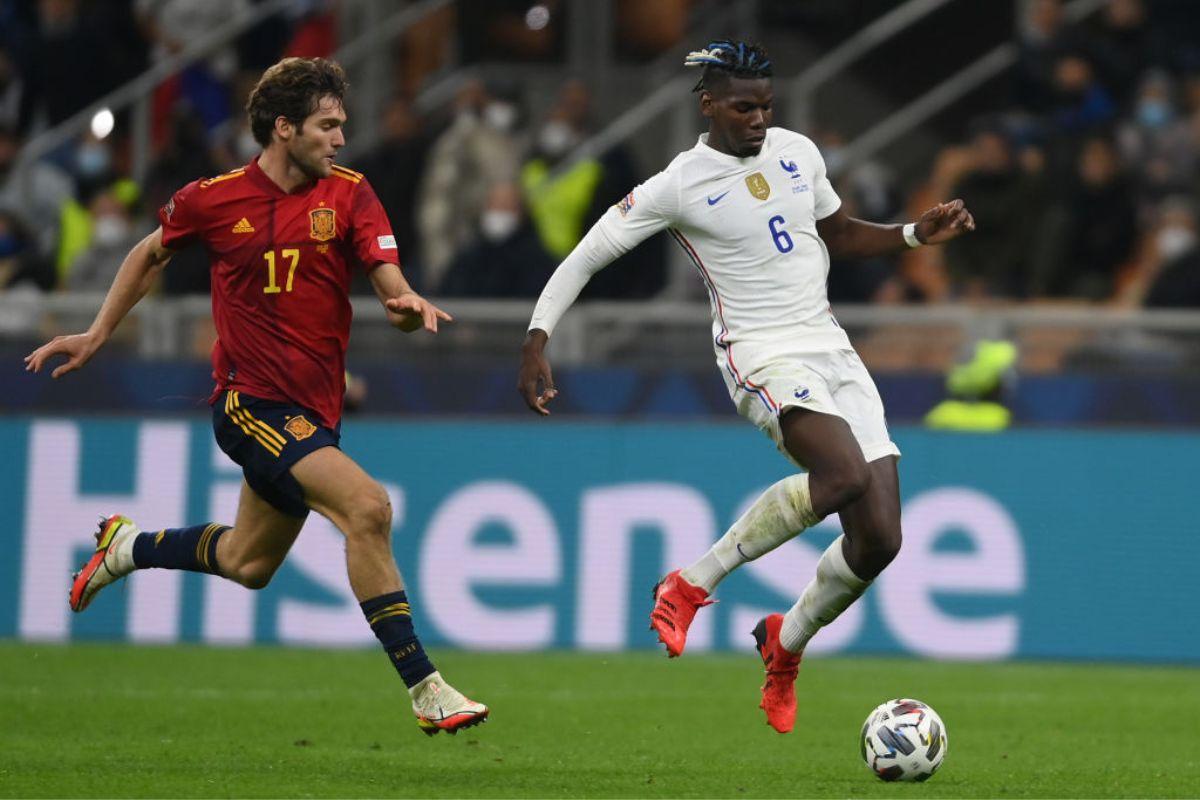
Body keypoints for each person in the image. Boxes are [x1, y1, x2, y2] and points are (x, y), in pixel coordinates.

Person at [517, 41, 975, 735]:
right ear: (707, 106)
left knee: (881, 539)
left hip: (831, 349)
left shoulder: (798, 152)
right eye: (742, 107)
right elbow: (587, 254)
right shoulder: (679, 183)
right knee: (843, 475)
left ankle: (783, 646)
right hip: (759, 354)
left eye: (765, 105)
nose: (759, 119)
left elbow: (839, 235)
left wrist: (913, 235)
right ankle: (692, 581)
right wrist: (538, 338)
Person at [24, 57, 488, 737]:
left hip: (314, 411)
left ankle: (127, 548)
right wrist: (97, 333)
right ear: (283, 128)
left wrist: (405, 304)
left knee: (248, 562)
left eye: (342, 126)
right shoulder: (212, 200)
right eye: (327, 126)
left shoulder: (352, 194)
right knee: (367, 507)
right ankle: (426, 688)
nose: (339, 139)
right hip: (250, 404)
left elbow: (387, 276)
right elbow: (150, 254)